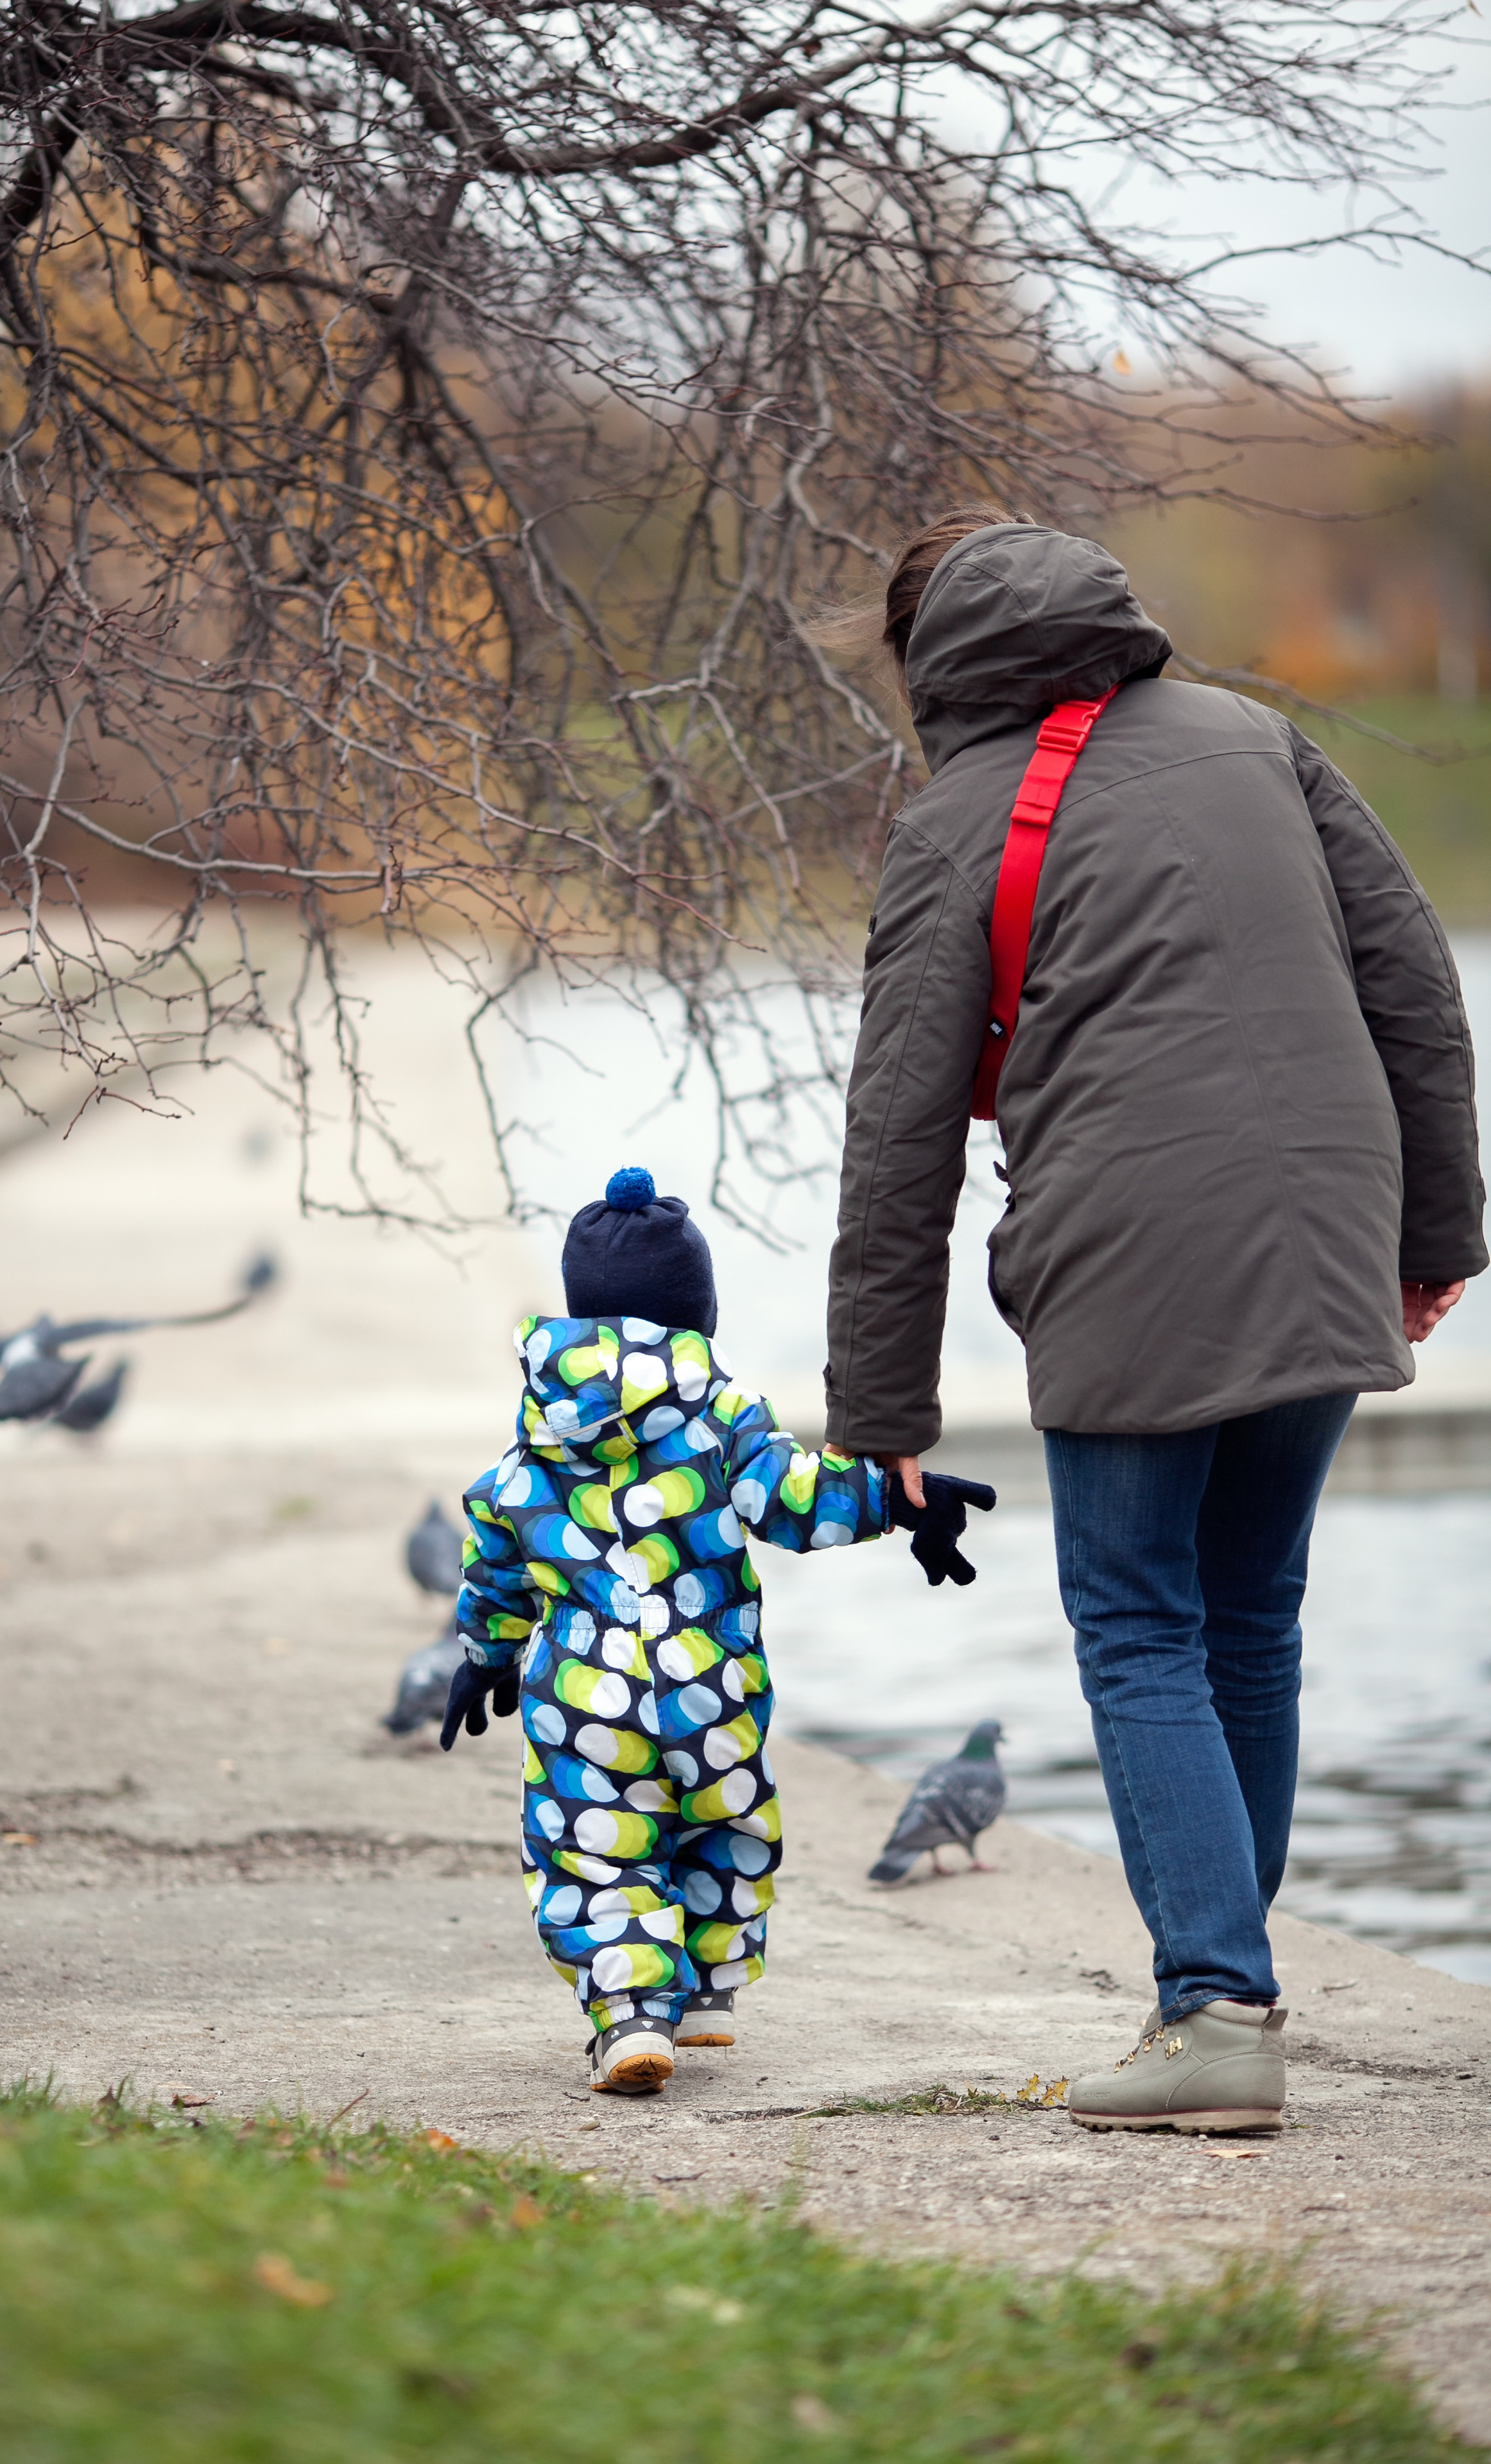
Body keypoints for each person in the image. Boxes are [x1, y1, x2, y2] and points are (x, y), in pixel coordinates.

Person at [825, 508, 1486, 2133]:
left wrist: (879, 1413)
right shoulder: (1259, 742)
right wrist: (1434, 1235)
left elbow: (900, 1128)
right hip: (1324, 1211)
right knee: (1248, 1617)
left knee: (1137, 1625)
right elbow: (1415, 993)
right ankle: (1229, 1985)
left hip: (1129, 1233)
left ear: (932, 664)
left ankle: (1212, 2012)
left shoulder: (957, 818)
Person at [438, 1166, 990, 2095]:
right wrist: (898, 1499)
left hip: (582, 1701)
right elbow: (793, 1497)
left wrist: (485, 1651)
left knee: (596, 1852)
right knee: (718, 1822)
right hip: (712, 1690)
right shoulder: (723, 1411)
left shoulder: (538, 1437)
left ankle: (630, 2017)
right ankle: (704, 1994)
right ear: (697, 1312)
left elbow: (495, 1544)